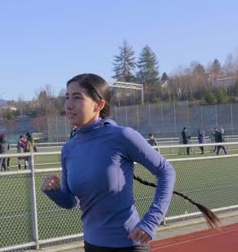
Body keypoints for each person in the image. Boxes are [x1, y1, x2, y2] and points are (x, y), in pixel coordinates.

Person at [41, 73, 177, 252]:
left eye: (77, 97)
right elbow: (70, 202)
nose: (68, 105)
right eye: (67, 97)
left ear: (99, 104)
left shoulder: (122, 136)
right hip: (92, 245)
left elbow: (166, 171)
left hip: (128, 243)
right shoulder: (69, 148)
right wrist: (54, 192)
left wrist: (152, 220)